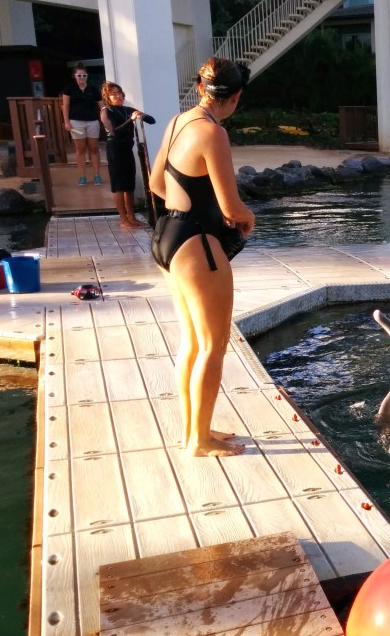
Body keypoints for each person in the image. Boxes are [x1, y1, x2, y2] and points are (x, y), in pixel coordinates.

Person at [148, 57, 255, 457]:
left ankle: (193, 430)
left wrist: (186, 205)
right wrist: (248, 219)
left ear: (200, 88)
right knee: (213, 344)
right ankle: (200, 440)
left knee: (191, 343)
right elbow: (231, 208)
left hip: (167, 237)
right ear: (236, 97)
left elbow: (158, 182)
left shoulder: (178, 123)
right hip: (198, 244)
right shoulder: (214, 133)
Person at [100, 81, 154, 229]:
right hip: (115, 149)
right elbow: (115, 131)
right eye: (114, 94)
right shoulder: (106, 111)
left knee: (129, 184)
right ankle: (123, 219)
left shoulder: (127, 109)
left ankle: (132, 216)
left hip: (127, 149)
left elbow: (152, 120)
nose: (118, 96)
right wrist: (130, 120)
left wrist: (141, 115)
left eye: (119, 93)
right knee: (119, 185)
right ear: (107, 97)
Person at [61, 63, 104, 186]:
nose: (82, 78)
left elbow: (102, 106)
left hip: (92, 121)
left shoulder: (93, 89)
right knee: (80, 149)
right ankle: (82, 176)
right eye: (79, 75)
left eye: (84, 75)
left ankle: (96, 175)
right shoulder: (69, 89)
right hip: (76, 122)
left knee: (94, 148)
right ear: (74, 76)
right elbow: (66, 107)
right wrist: (67, 122)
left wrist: (105, 119)